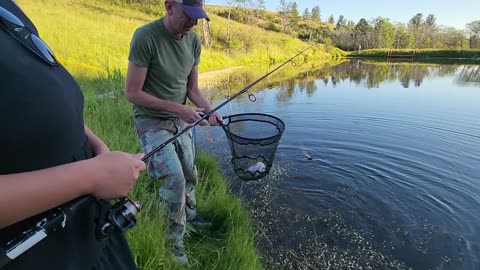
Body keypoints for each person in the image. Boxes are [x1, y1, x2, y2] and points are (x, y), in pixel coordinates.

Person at [0, 0, 146, 269]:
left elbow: (52, 98)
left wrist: (99, 149)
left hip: (92, 239)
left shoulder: (8, 9)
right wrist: (92, 176)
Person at [125, 0, 223, 265]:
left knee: (191, 172)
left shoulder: (193, 42)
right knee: (175, 180)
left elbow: (193, 90)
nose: (194, 22)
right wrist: (179, 110)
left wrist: (209, 110)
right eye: (189, 15)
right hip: (152, 122)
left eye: (198, 17)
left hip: (181, 120)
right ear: (169, 6)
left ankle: (190, 216)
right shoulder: (146, 37)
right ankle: (173, 244)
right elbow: (133, 93)